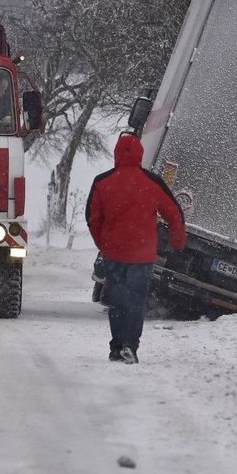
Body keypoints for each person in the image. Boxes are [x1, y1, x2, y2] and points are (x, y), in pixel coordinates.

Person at [85, 133, 186, 364]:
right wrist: (177, 242)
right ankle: (130, 345)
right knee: (136, 301)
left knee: (118, 302)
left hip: (114, 253)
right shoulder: (152, 182)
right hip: (142, 256)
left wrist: (103, 243)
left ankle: (116, 346)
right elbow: (174, 214)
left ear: (116, 154)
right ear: (140, 154)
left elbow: (92, 218)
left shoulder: (102, 182)